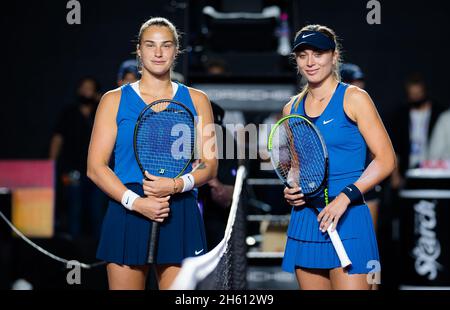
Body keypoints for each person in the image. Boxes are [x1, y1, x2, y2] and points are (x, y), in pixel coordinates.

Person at [87, 17, 217, 290]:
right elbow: (95, 168)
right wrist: (137, 203)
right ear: (139, 51)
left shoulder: (198, 100)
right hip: (128, 210)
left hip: (179, 208)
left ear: (176, 51)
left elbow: (209, 165)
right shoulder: (113, 100)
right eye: (150, 45)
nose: (158, 53)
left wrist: (176, 184)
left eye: (166, 45)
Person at [280, 24, 395, 290]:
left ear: (333, 56)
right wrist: (292, 186)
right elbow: (299, 166)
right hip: (306, 220)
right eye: (302, 54)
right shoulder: (291, 108)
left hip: (348, 217)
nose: (310, 62)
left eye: (318, 53)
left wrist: (345, 197)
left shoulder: (354, 98)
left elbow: (386, 160)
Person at [49, 76, 105, 239]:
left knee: (97, 211)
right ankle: (74, 252)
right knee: (74, 208)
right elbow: (57, 138)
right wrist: (52, 165)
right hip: (73, 169)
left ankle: (96, 256)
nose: (87, 91)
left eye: (90, 88)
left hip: (98, 171)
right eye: (84, 88)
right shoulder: (69, 112)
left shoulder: (101, 112)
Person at [340, 63, 381, 231]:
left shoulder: (366, 107)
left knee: (367, 238)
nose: (358, 85)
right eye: (352, 81)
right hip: (339, 185)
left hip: (365, 184)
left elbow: (381, 155)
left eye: (360, 80)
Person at [390, 74, 446, 189]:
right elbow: (395, 147)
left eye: (418, 93)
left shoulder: (439, 114)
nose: (415, 97)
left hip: (434, 168)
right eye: (412, 94)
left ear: (425, 92)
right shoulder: (401, 115)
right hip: (408, 169)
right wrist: (395, 175)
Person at [199, 101, 238, 250]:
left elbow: (226, 197)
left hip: (214, 215)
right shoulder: (182, 137)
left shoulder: (224, 139)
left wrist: (211, 178)